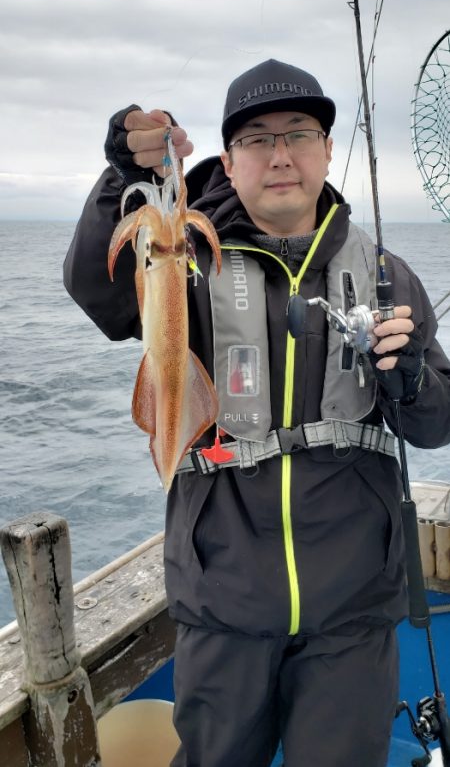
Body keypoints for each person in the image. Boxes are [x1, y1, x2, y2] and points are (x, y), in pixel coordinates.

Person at [64, 58, 450, 767]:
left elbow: (435, 424)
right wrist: (122, 177)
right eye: (256, 138)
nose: (280, 155)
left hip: (353, 611)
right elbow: (98, 290)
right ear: (228, 159)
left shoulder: (386, 275)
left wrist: (413, 377)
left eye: (299, 133)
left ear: (326, 150)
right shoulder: (184, 257)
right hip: (224, 603)